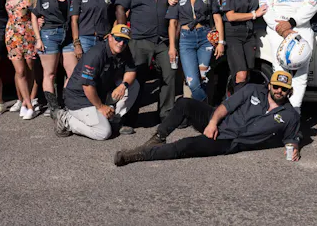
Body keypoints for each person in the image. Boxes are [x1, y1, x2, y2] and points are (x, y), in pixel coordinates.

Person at [113, 71, 300, 166]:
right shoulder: (252, 89)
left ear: (290, 91)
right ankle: (157, 138)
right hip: (217, 120)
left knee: (184, 146)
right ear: (269, 85)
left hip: (228, 140)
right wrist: (212, 123)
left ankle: (137, 155)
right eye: (276, 86)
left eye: (284, 89)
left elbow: (291, 138)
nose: (279, 91)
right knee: (184, 103)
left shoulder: (290, 115)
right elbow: (226, 106)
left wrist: (294, 148)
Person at [259, 0, 317, 114]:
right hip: (277, 28)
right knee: (280, 72)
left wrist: (291, 23)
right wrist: (281, 28)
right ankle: (279, 112)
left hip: (301, 27)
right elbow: (265, 5)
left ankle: (294, 112)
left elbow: (312, 3)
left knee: (301, 72)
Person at [115, 0, 178, 121]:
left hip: (164, 40)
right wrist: (123, 32)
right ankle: (129, 117)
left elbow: (181, 7)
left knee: (169, 76)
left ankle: (166, 114)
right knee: (136, 78)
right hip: (139, 39)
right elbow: (120, 7)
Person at [53, 24, 140, 140]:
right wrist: (101, 107)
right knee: (103, 132)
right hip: (80, 99)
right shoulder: (96, 54)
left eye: (125, 40)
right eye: (118, 38)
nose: (121, 43)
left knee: (133, 85)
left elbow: (131, 71)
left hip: (100, 93)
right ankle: (66, 119)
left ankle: (114, 119)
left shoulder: (124, 49)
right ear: (110, 37)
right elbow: (87, 86)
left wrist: (123, 86)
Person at [166, 0, 225, 102]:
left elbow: (217, 19)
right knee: (192, 81)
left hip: (205, 38)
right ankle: (207, 109)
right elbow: (172, 23)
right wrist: (172, 47)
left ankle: (200, 112)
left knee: (204, 78)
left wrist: (221, 42)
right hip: (186, 39)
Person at [31, 0, 77, 117]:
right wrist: (38, 39)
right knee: (50, 74)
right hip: (49, 34)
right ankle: (54, 108)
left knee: (73, 72)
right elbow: (33, 16)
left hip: (67, 34)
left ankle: (67, 102)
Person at [221, 0, 266, 92]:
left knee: (248, 72)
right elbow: (230, 16)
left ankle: (244, 101)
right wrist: (254, 14)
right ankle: (237, 103)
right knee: (241, 74)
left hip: (250, 34)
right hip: (234, 34)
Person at [5, 0, 39, 120]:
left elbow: (36, 15)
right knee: (19, 71)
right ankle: (28, 104)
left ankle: (28, 101)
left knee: (30, 69)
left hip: (28, 33)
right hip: (12, 35)